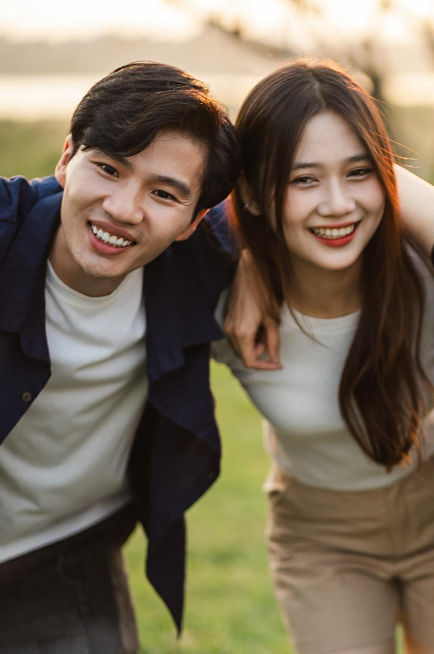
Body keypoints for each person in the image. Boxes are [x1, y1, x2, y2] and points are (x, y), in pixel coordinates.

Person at [212, 60, 434, 654]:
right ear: (250, 191)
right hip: (321, 531)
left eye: (359, 172)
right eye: (303, 180)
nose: (337, 205)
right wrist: (250, 260)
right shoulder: (222, 298)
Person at [0, 62, 239, 652]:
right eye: (107, 168)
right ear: (65, 160)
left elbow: (349, 197)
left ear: (194, 220)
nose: (124, 209)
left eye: (163, 193)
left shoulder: (206, 266)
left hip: (64, 549)